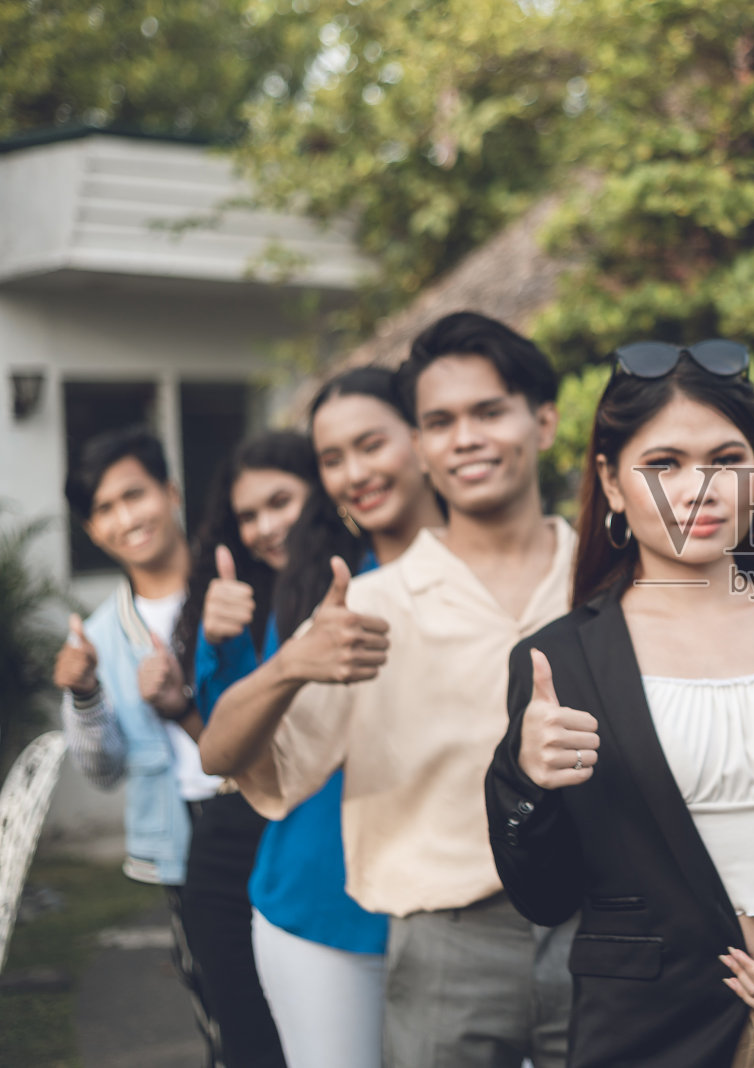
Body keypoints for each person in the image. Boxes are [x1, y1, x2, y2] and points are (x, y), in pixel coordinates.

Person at [484, 341, 754, 1068]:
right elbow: (544, 898)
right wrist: (525, 778)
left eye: (726, 460)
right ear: (609, 482)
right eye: (663, 464)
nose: (700, 488)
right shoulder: (561, 662)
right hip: (647, 1038)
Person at [200, 312, 576, 1068]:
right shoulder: (366, 606)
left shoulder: (607, 582)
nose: (464, 437)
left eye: (487, 411)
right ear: (425, 444)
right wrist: (289, 662)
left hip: (601, 932)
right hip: (438, 937)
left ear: (544, 422)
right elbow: (224, 755)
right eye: (441, 421)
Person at [235, 367, 443, 1068]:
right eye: (332, 458)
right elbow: (238, 748)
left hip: (471, 915)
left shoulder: (526, 569)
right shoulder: (329, 589)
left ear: (420, 439)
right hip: (324, 904)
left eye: (371, 444)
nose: (355, 473)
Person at [53, 427, 224, 1064]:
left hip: (276, 807)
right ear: (92, 530)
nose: (126, 517)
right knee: (219, 1004)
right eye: (104, 508)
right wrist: (87, 693)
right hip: (186, 829)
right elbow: (103, 769)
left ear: (171, 493)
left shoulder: (240, 585)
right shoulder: (101, 634)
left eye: (135, 494)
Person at [173, 430, 321, 1068]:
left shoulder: (365, 578)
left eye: (281, 502)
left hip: (317, 845)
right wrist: (217, 641)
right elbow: (224, 740)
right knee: (252, 1044)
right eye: (249, 515)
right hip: (234, 845)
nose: (265, 527)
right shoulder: (245, 599)